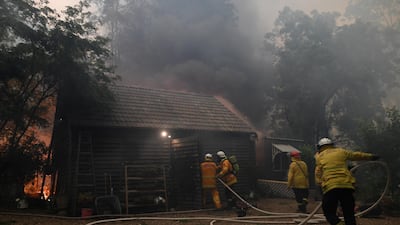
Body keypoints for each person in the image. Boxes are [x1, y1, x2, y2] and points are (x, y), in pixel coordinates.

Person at [315, 137, 380, 225]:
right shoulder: (341, 151)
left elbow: (318, 172)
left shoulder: (319, 156)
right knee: (349, 214)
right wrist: (372, 156)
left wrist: (320, 183)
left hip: (330, 187)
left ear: (319, 147)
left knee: (329, 212)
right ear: (332, 145)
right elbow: (356, 155)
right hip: (346, 186)